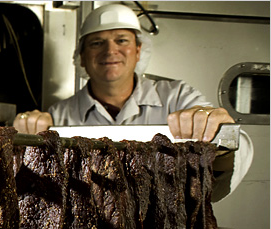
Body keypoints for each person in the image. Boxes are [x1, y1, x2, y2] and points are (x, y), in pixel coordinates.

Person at [13, 3, 252, 203]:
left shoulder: (177, 96)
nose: (110, 50)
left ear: (138, 51)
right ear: (82, 57)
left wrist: (217, 129)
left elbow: (235, 151)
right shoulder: (61, 114)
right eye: (97, 43)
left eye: (122, 40)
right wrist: (25, 135)